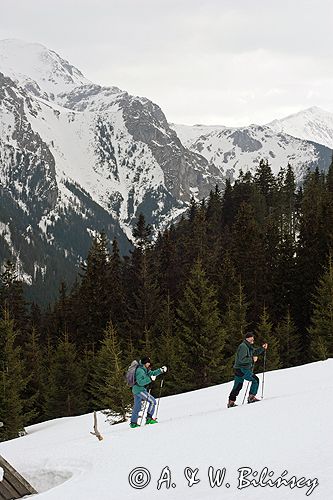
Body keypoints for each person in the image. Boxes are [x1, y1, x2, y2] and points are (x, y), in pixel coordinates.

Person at [228, 332, 268, 407]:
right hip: (242, 369)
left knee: (238, 386)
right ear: (247, 338)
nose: (252, 339)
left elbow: (254, 352)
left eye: (253, 337)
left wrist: (262, 348)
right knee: (255, 380)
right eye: (251, 337)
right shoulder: (243, 346)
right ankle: (251, 398)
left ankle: (231, 402)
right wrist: (252, 359)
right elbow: (241, 360)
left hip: (239, 369)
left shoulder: (248, 346)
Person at [130, 356, 167, 428]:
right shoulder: (140, 371)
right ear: (145, 363)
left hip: (137, 390)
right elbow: (140, 382)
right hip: (139, 390)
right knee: (153, 401)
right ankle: (149, 419)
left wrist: (161, 370)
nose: (149, 364)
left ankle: (133, 423)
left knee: (137, 407)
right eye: (148, 363)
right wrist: (150, 379)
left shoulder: (145, 369)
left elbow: (152, 373)